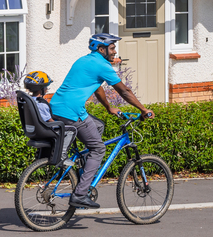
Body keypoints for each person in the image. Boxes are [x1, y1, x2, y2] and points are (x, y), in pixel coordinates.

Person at [48, 33, 152, 209]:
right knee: (98, 148)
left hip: (56, 107)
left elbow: (97, 88)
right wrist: (143, 110)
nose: (115, 51)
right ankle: (80, 193)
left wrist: (108, 108)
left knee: (98, 125)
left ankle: (83, 173)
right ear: (101, 49)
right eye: (112, 48)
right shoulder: (102, 65)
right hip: (72, 112)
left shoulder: (84, 61)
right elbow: (124, 91)